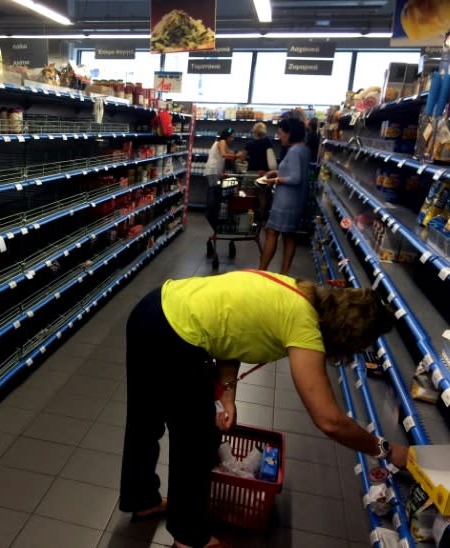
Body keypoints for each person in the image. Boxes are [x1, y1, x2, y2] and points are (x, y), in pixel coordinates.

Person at [118, 269, 408, 548]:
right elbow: (328, 420)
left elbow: (230, 333)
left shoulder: (294, 291)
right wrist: (383, 448)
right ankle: (189, 537)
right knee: (196, 439)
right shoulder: (303, 324)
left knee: (145, 420)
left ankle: (142, 499)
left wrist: (228, 396)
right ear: (348, 335)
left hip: (153, 311)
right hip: (176, 336)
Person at [258, 118, 311, 275]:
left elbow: (295, 178)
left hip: (286, 201)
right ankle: (284, 273)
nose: (279, 136)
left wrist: (274, 180)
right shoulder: (304, 149)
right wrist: (278, 172)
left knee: (271, 232)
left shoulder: (294, 151)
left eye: (281, 133)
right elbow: (296, 172)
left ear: (290, 133)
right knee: (289, 236)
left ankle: (261, 272)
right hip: (296, 200)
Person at [203, 128, 246, 230]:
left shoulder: (223, 143)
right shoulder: (222, 141)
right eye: (232, 137)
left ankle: (212, 216)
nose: (233, 139)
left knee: (215, 192)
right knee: (214, 193)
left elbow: (229, 153)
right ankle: (211, 217)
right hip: (213, 171)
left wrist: (238, 154)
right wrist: (236, 156)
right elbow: (224, 154)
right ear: (227, 136)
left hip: (214, 171)